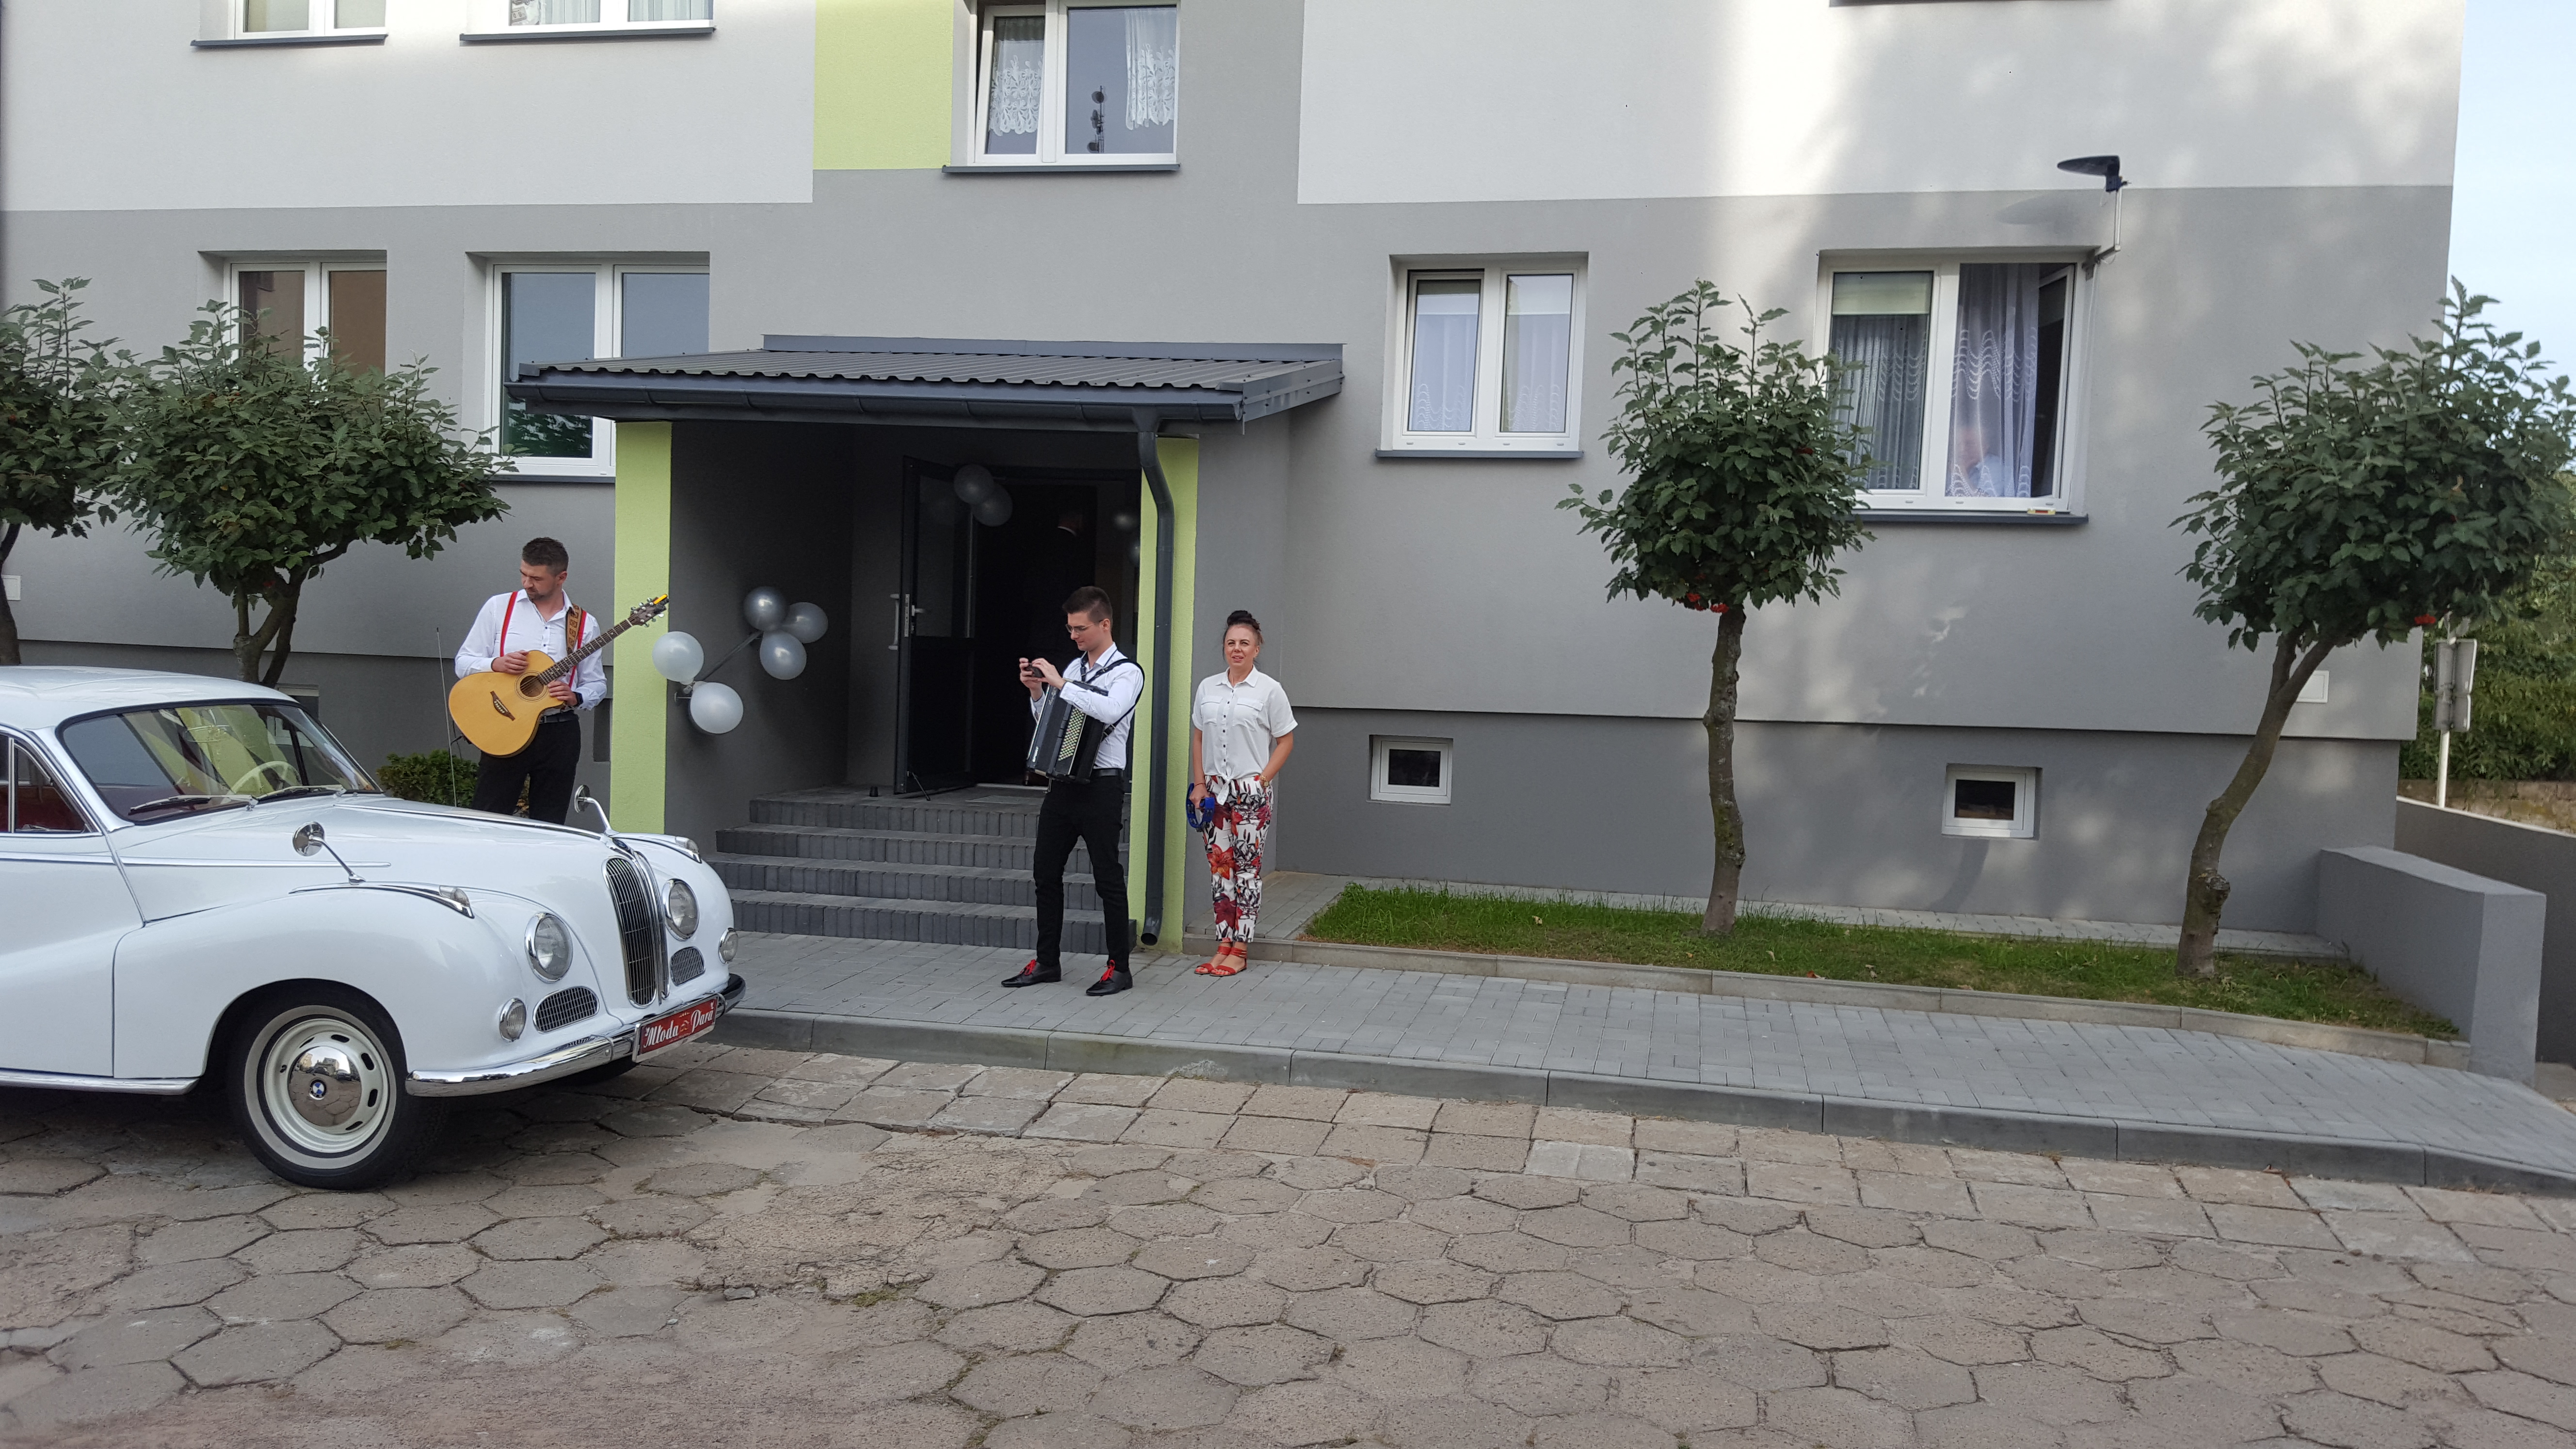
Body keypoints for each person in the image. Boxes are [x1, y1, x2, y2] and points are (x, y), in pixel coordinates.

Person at [1003, 585, 1143, 996]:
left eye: (1080, 628)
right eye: (1069, 629)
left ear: (1105, 624)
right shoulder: (1074, 670)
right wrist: (1037, 693)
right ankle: (1047, 962)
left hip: (1102, 786)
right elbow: (1054, 722)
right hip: (1063, 786)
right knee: (1045, 873)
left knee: (1108, 878)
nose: (1073, 636)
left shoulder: (1127, 673)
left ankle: (1119, 969)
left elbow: (1109, 711)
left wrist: (1061, 683)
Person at [453, 537, 604, 825]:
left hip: (559, 732)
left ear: (561, 577)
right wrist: (495, 664)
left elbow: (596, 683)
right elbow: (463, 662)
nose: (527, 583)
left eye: (536, 578)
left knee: (550, 821)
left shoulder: (584, 623)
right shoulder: (499, 607)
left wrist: (576, 697)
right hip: (504, 723)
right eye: (523, 574)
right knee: (489, 816)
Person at [1187, 610, 1295, 978]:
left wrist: (1262, 781)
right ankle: (1223, 944)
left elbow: (1286, 741)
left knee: (1247, 873)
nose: (1237, 649)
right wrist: (1199, 784)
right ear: (1224, 647)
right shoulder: (1208, 688)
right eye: (1231, 643)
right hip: (1214, 793)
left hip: (1250, 793)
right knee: (1221, 870)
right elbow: (1199, 737)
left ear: (1256, 649)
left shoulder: (1269, 690)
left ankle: (1241, 949)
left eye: (1244, 643)